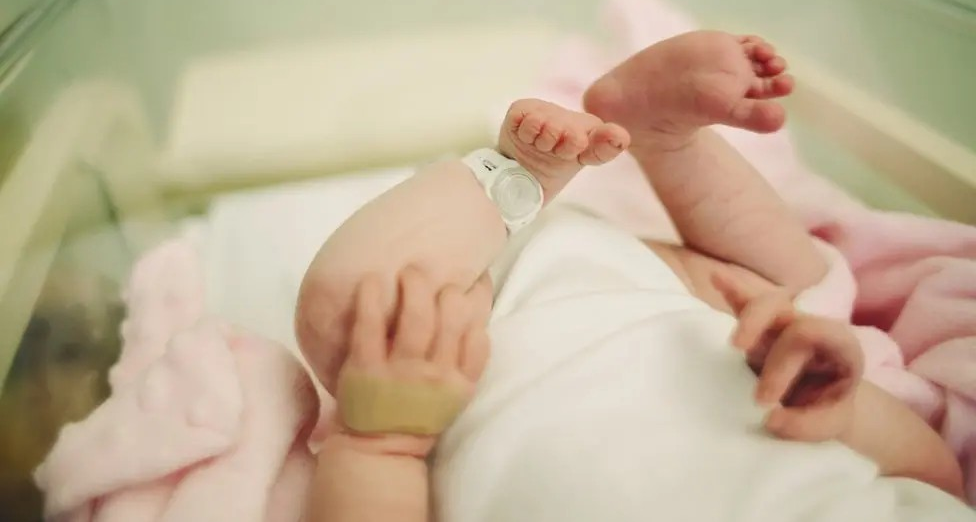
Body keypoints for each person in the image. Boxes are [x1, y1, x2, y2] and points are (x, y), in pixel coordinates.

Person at [296, 31, 969, 521]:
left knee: (350, 310)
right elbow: (937, 474)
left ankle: (513, 182)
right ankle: (661, 136)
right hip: (725, 337)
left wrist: (381, 442)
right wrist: (842, 405)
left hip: (453, 356)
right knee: (795, 279)